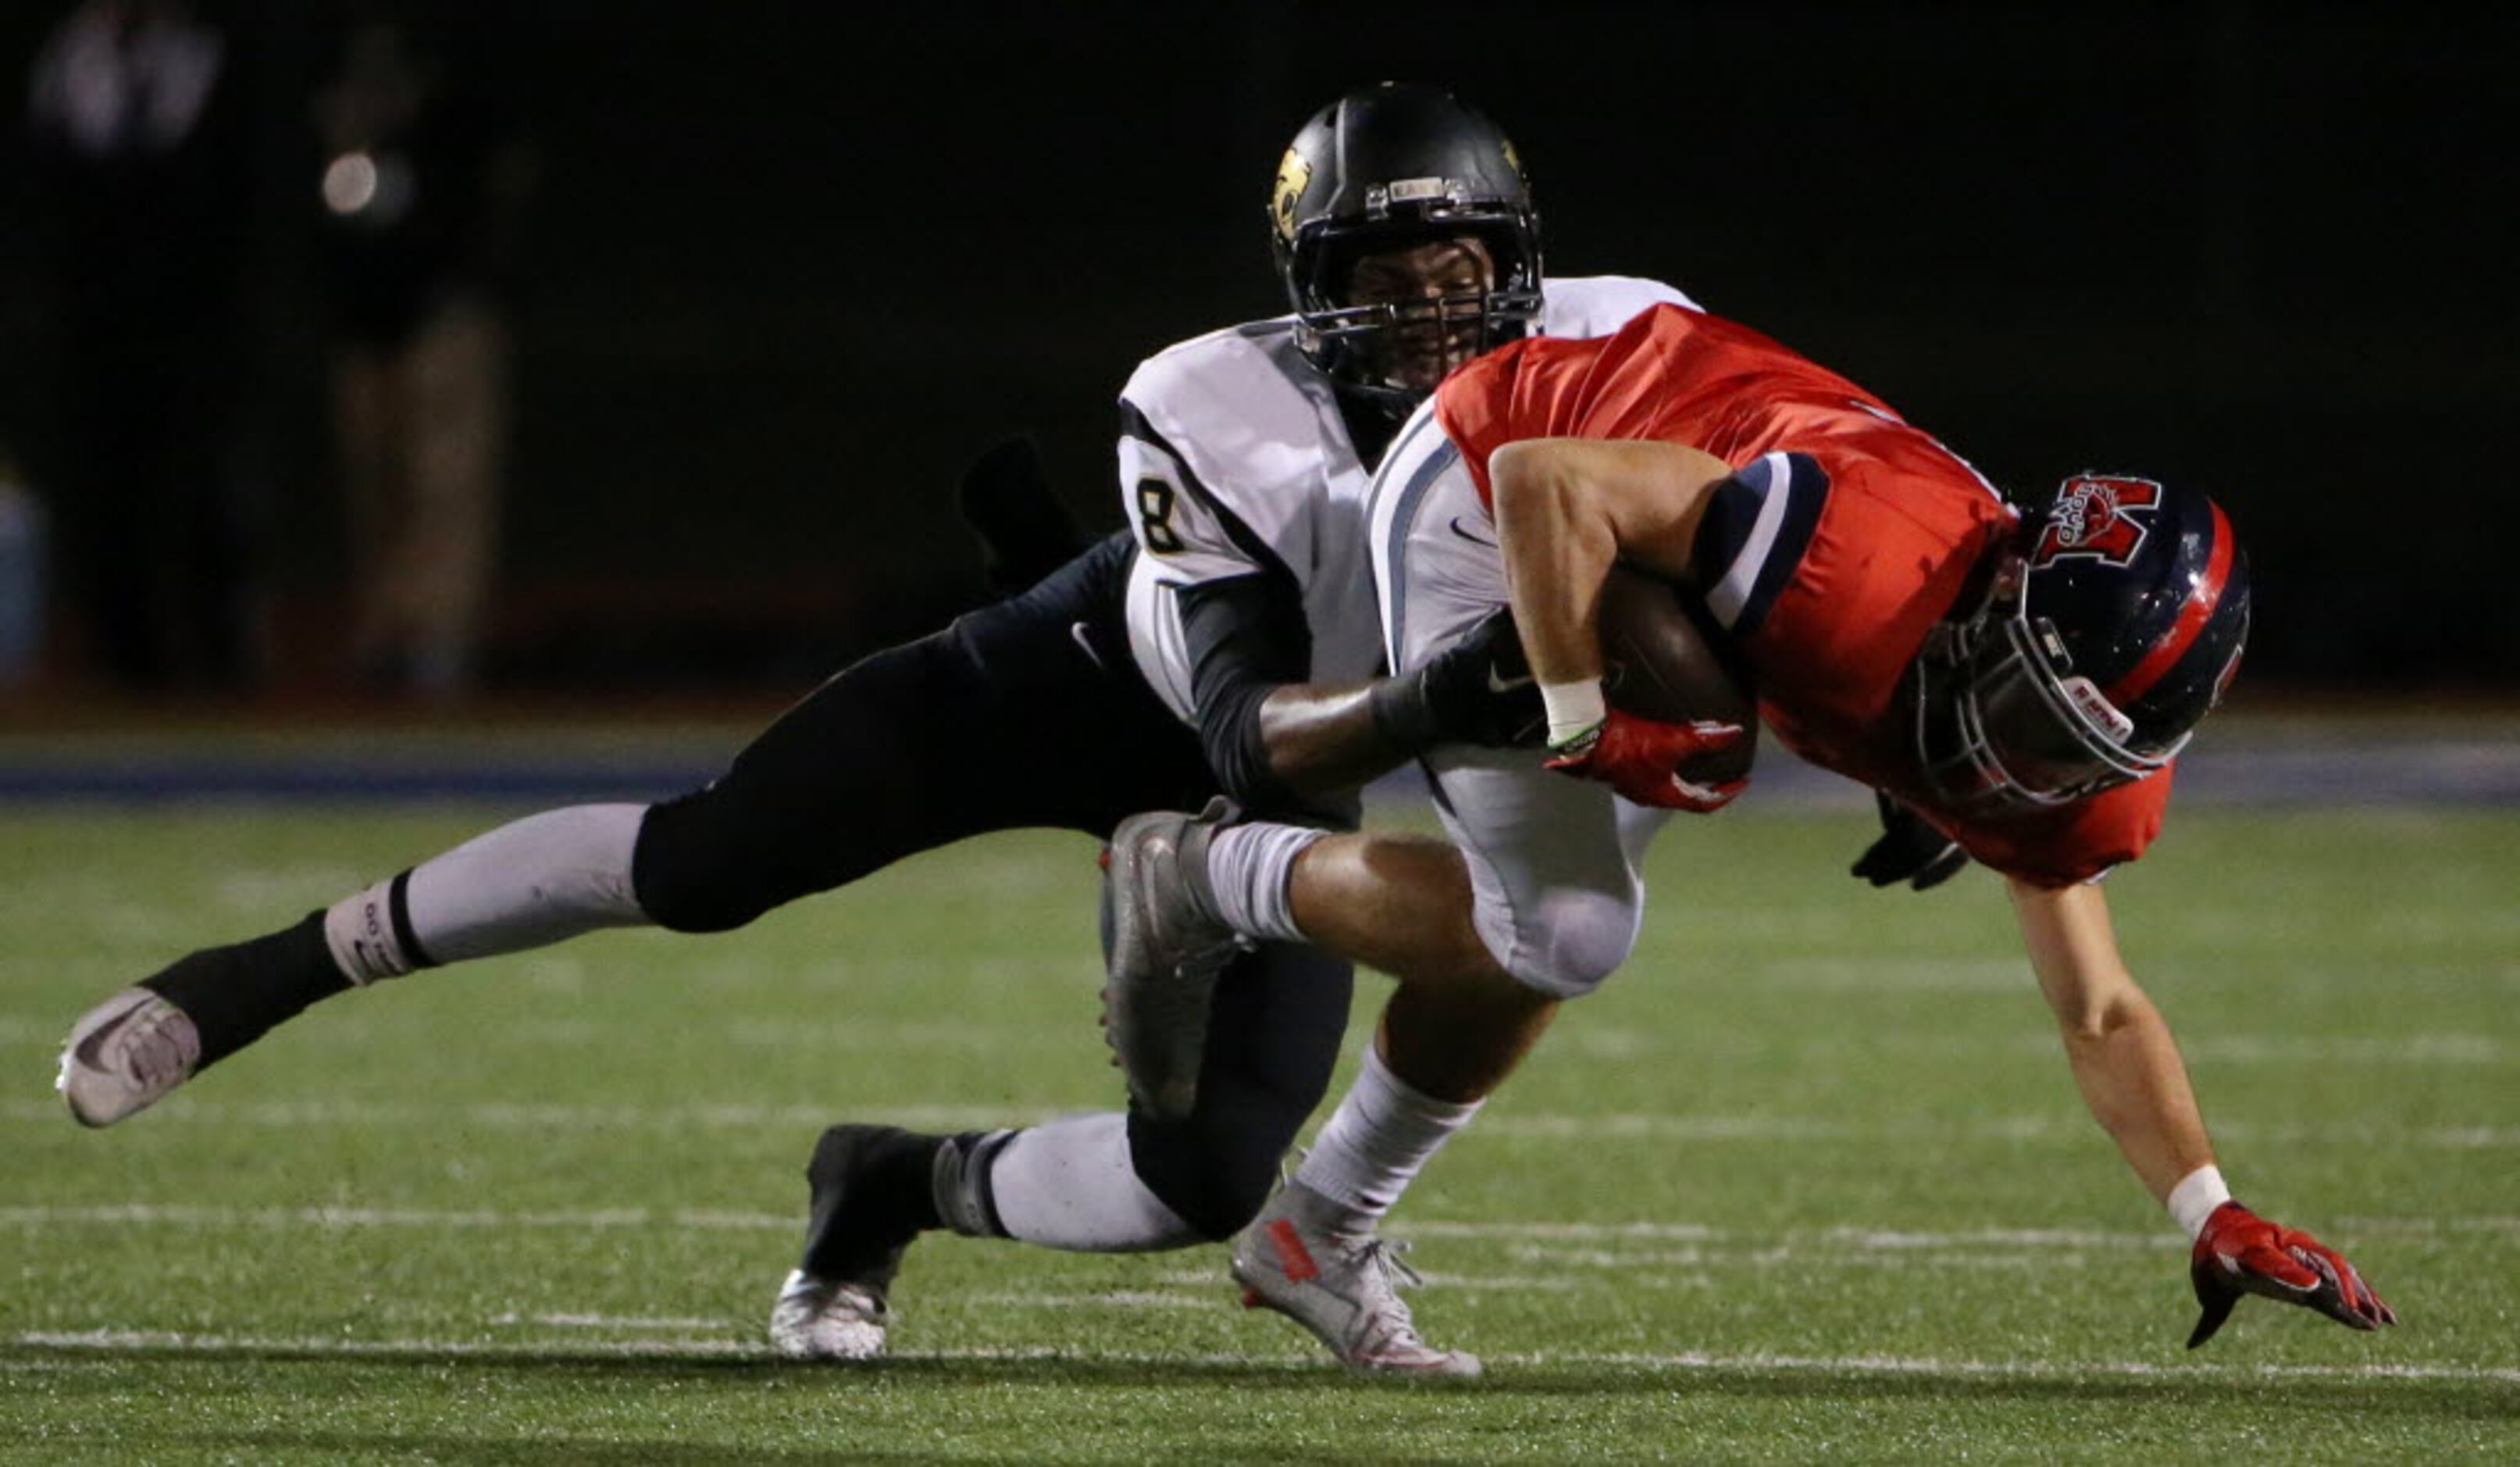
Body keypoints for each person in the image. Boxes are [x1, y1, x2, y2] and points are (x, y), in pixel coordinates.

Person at [55, 83, 1729, 1376]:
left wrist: (1898, 747)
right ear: (1308, 287)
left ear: (1523, 265)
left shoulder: (1616, 344)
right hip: (1096, 693)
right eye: (1385, 276)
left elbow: (1777, 518)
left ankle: (880, 1187)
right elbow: (1229, 733)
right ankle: (253, 979)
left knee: (1205, 1179)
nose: (1434, 313)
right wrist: (1445, 696)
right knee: (703, 860)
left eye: (1462, 271)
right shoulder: (1223, 401)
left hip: (1304, 774)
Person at [1102, 301, 2397, 1350]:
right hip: (1491, 462)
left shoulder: (2073, 761)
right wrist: (1572, 717)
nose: (2026, 763)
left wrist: (2206, 1208)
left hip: (1678, 465)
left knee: (1580, 888)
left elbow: (2098, 1006)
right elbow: (1545, 478)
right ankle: (1206, 871)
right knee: (1569, 921)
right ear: (1999, 608)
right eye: (2027, 711)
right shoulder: (1851, 565)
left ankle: (1309, 1234)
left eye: (2076, 748)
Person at [23, 0, 266, 691]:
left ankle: (220, 657)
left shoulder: (202, 57)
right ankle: (123, 657)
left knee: (202, 494)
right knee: (104, 494)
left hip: (190, 329)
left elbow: (231, 200)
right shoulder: (65, 61)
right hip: (93, 331)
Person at [312, 2, 536, 698]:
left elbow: (498, 178)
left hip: (447, 309)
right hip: (366, 315)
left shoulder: (467, 75)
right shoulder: (333, 61)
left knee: (447, 482)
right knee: (374, 481)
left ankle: (439, 641)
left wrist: (469, 274)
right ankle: (386, 635)